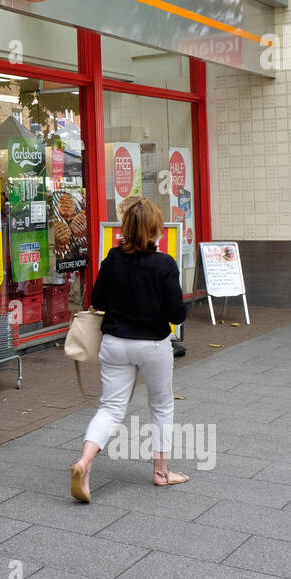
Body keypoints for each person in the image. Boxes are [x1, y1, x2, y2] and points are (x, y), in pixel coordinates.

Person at [70, 197, 188, 503]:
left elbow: (98, 300)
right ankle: (161, 472)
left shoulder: (112, 258)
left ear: (126, 229)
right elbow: (177, 315)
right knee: (161, 406)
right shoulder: (165, 265)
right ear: (155, 229)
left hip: (114, 343)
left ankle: (85, 462)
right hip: (152, 344)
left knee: (110, 407)